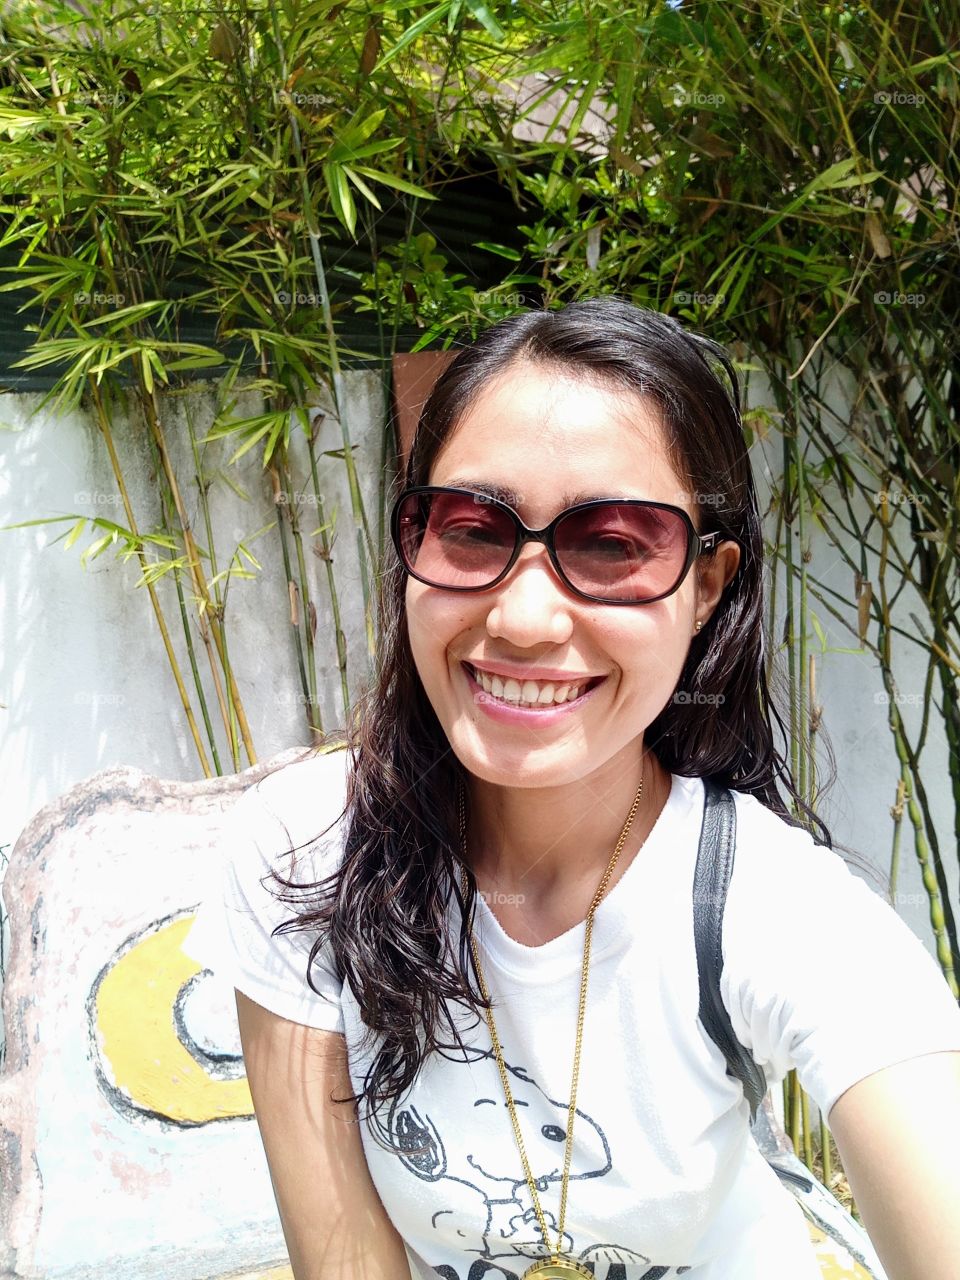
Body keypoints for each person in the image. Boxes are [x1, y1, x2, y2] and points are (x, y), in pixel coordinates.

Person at [183, 298, 960, 1280]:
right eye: (470, 528)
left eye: (614, 543)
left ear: (708, 584)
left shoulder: (767, 906)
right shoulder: (304, 850)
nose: (525, 616)